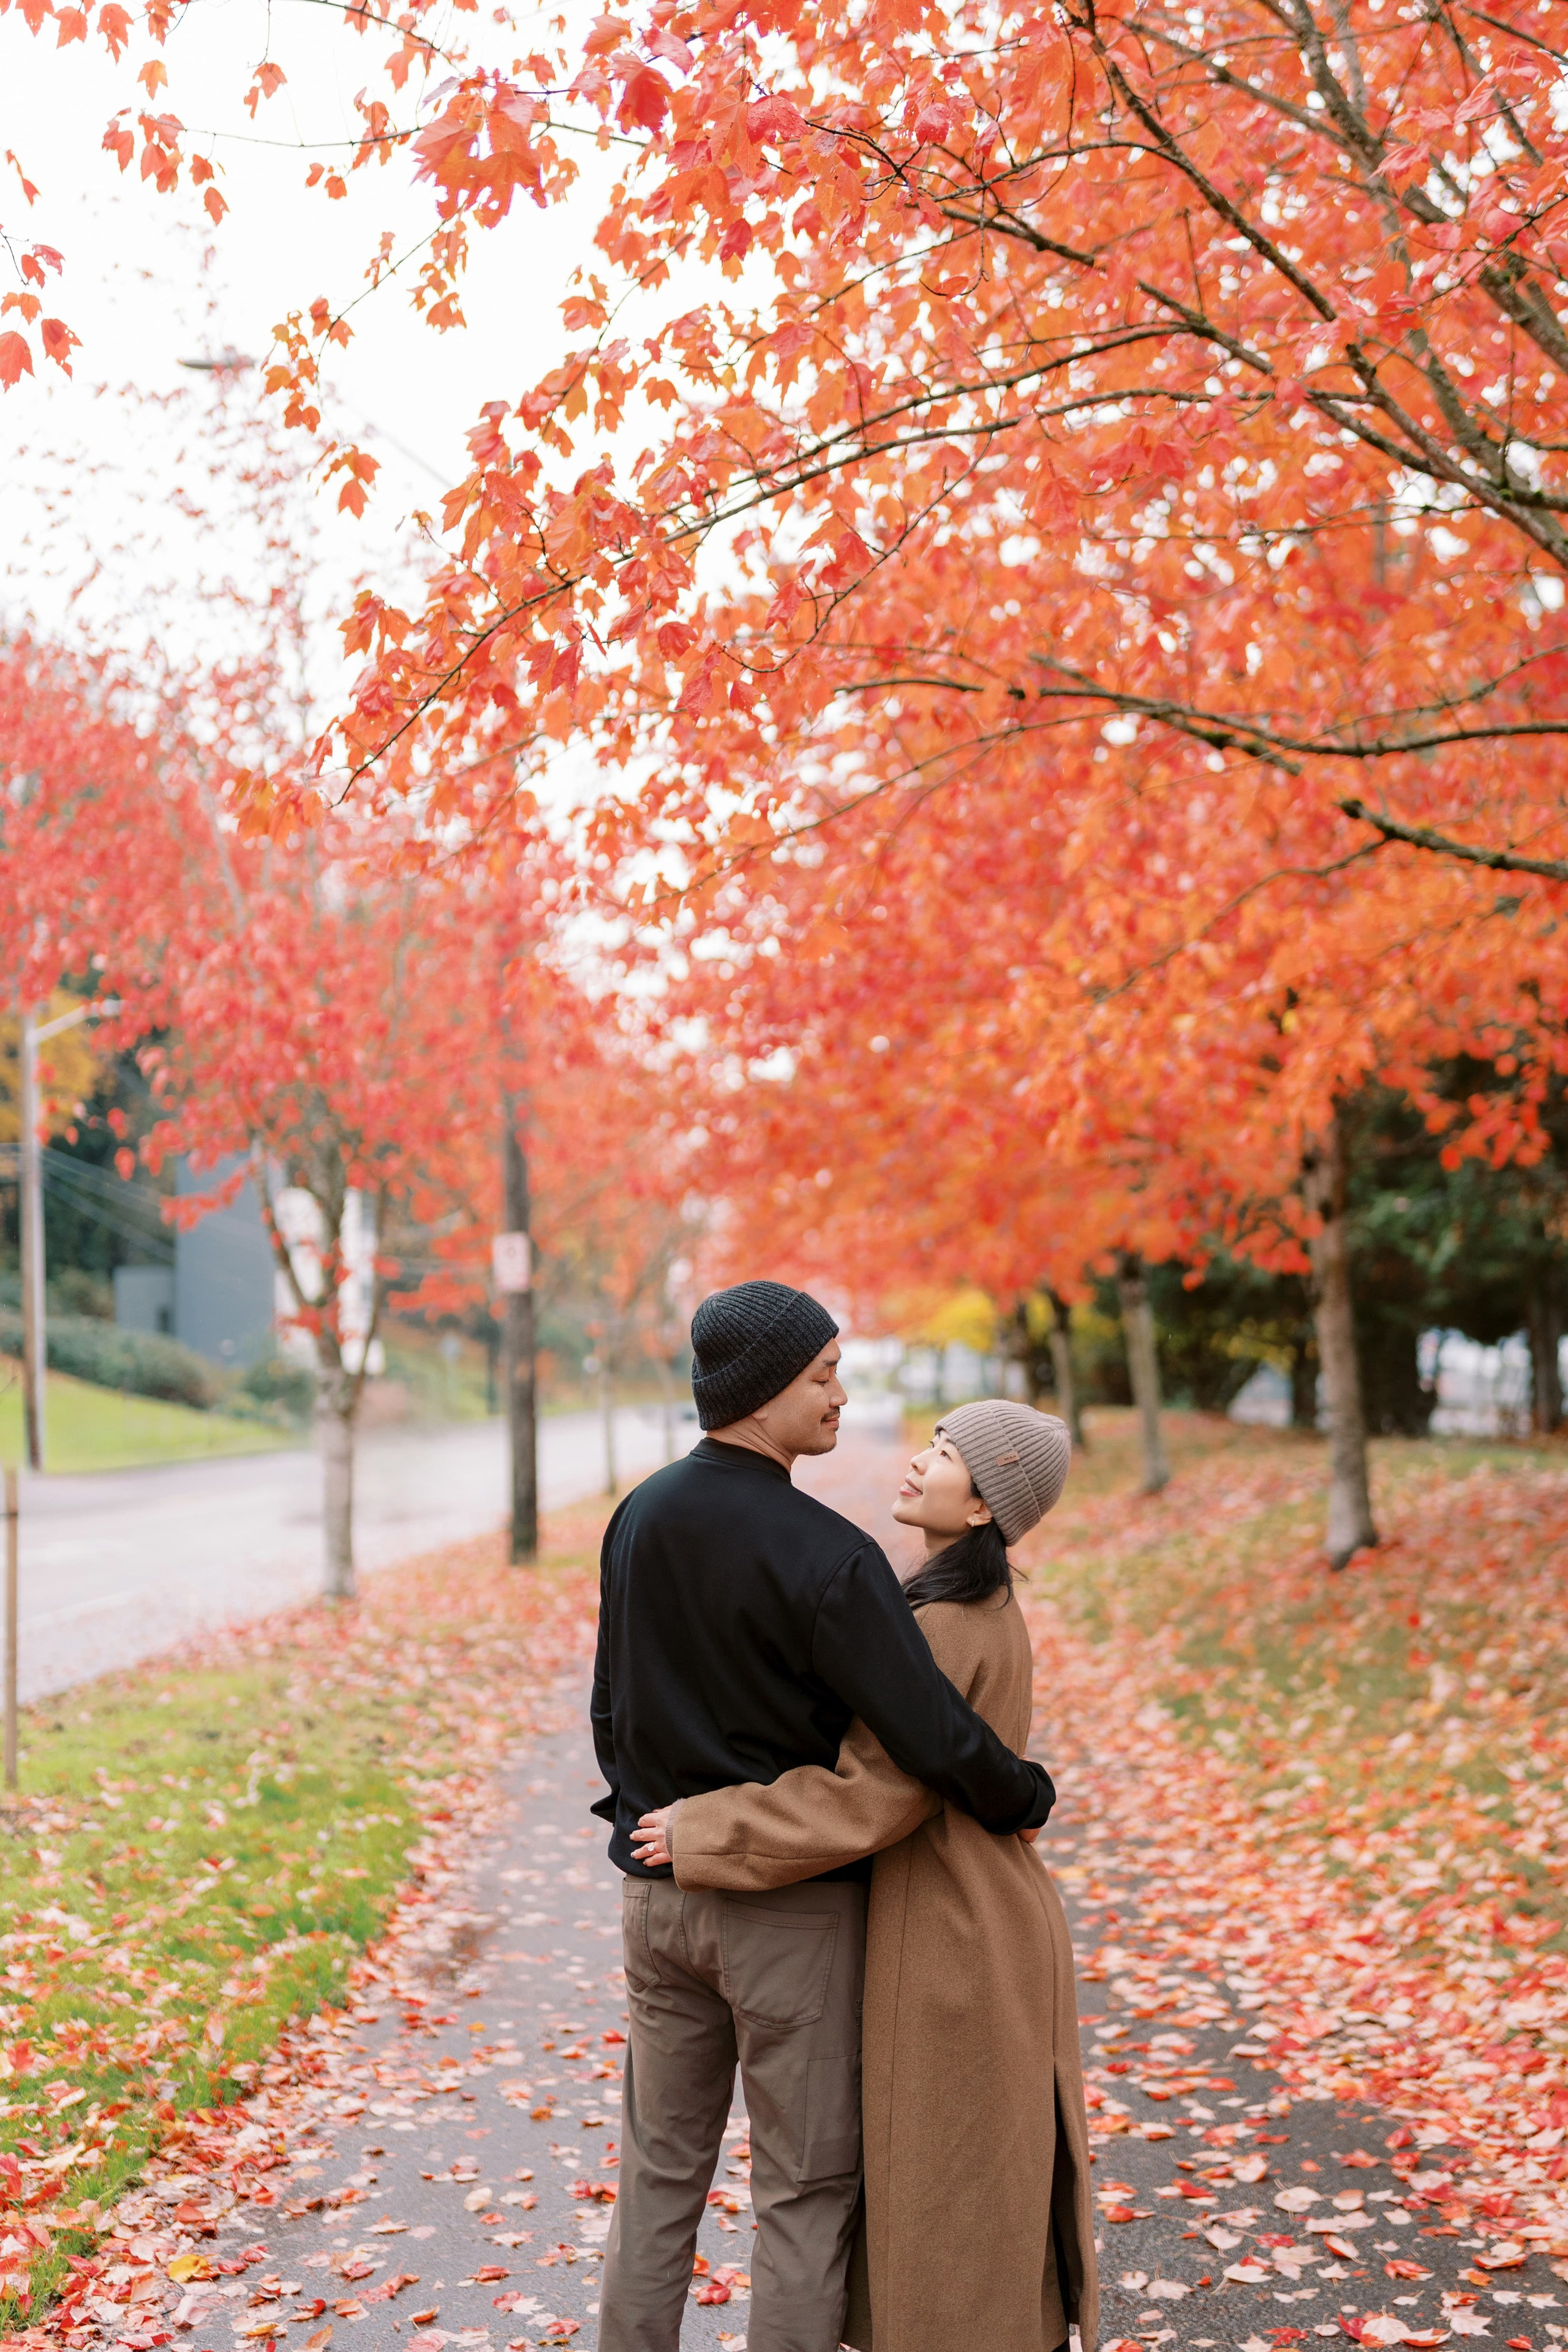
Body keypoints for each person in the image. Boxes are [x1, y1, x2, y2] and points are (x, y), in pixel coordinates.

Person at [590, 1283, 1056, 2352]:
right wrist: (1023, 1792)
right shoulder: (829, 1555)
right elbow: (929, 1741)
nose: (841, 1397)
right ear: (762, 1393)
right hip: (788, 1920)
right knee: (803, 2193)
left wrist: (644, 1819)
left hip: (657, 1902)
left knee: (658, 2178)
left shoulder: (640, 1514)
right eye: (822, 1377)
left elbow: (611, 1706)